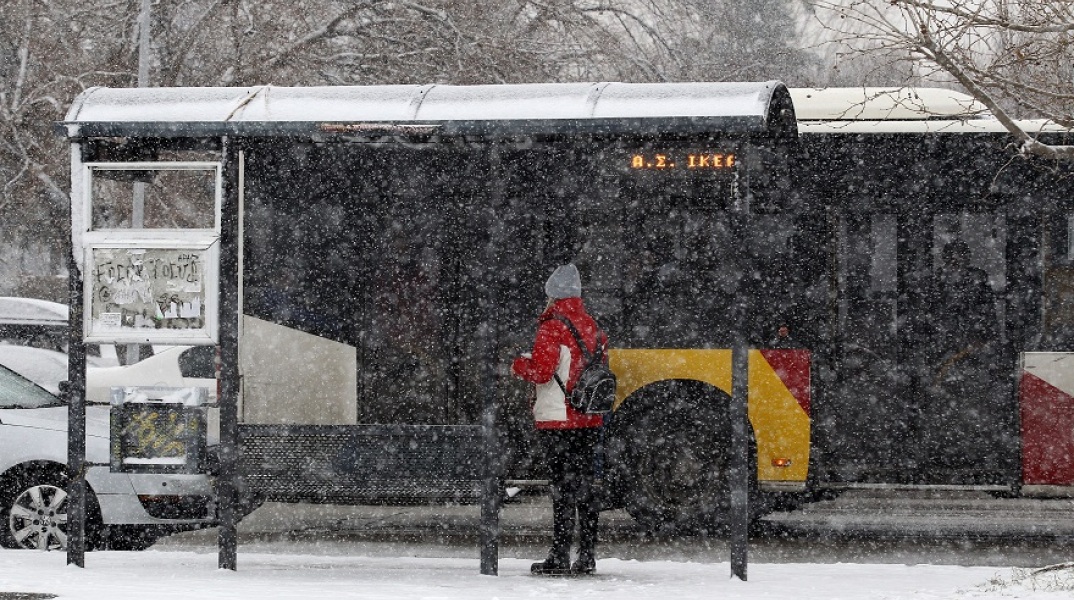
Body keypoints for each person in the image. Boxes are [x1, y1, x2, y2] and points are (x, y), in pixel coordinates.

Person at [511, 264, 606, 575]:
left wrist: (518, 365)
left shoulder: (552, 326)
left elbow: (542, 372)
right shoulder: (592, 325)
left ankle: (559, 555)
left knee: (563, 489)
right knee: (586, 487)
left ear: (553, 296)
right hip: (589, 417)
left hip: (559, 420)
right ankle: (587, 556)